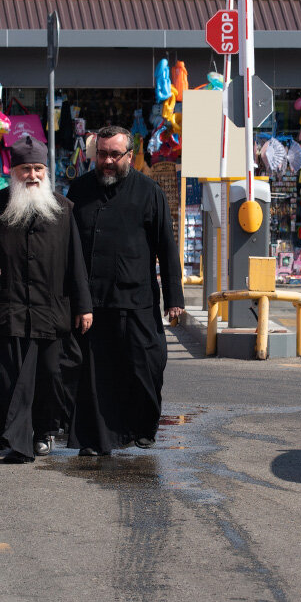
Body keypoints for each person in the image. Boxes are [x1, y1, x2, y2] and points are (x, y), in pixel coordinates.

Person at [0, 136, 92, 463]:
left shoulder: (64, 210)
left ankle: (45, 432)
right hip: (8, 311)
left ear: (46, 172)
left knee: (51, 379)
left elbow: (76, 261)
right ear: (13, 171)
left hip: (52, 313)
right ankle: (17, 441)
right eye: (26, 169)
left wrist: (84, 306)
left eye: (38, 169)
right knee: (7, 381)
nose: (32, 175)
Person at [64, 125, 184, 457]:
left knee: (146, 365)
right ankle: (94, 438)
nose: (106, 161)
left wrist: (175, 298)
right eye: (101, 154)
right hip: (92, 300)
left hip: (137, 298)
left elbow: (166, 248)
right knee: (95, 374)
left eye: (114, 155)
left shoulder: (149, 192)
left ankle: (142, 427)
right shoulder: (79, 190)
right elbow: (66, 247)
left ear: (129, 156)